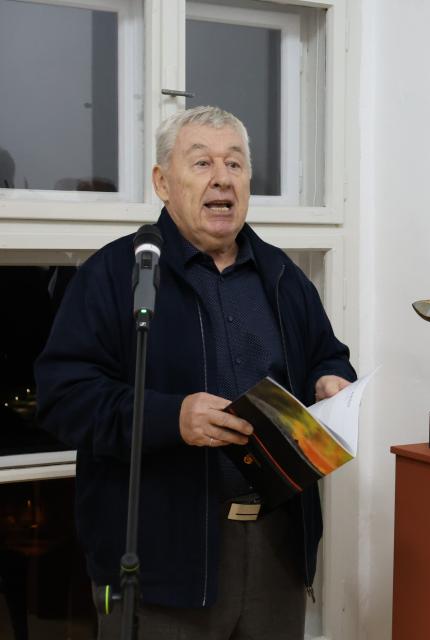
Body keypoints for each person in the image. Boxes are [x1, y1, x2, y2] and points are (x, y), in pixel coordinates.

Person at [35, 106, 356, 639]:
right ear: (163, 182)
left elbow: (328, 354)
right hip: (161, 562)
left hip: (278, 548)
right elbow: (63, 398)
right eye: (202, 162)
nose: (222, 178)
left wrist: (329, 380)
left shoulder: (284, 276)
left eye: (235, 163)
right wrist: (172, 418)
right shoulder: (116, 275)